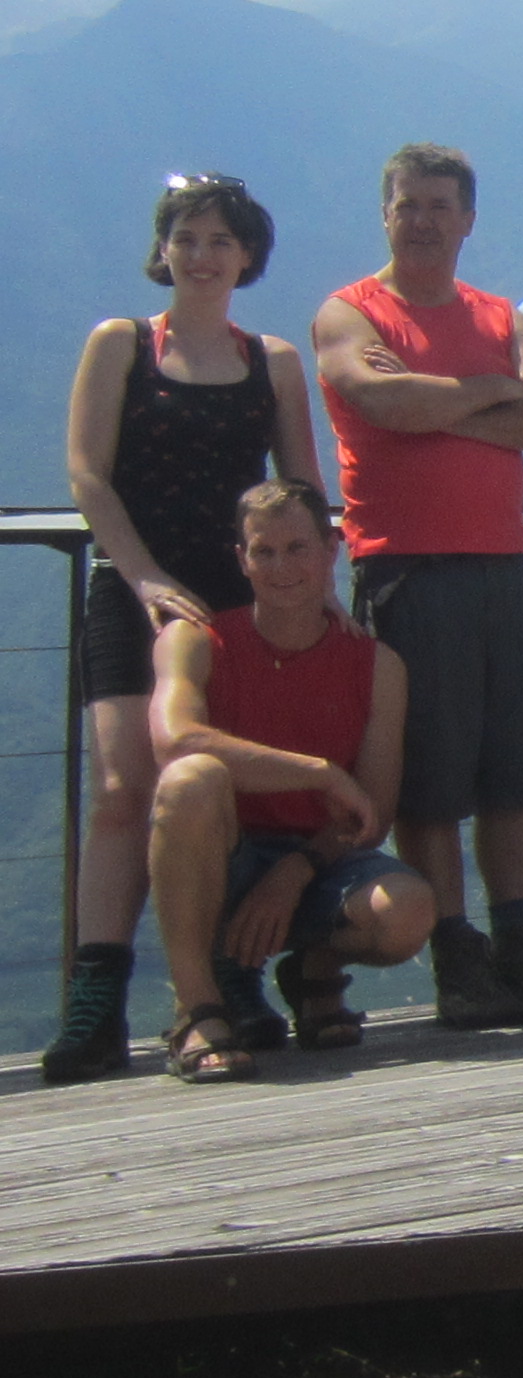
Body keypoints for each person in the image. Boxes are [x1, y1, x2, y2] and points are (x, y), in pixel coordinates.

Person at [44, 173, 323, 1083]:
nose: (202, 256)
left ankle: (219, 986)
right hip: (132, 588)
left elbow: (300, 486)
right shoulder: (121, 344)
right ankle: (96, 999)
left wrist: (311, 594)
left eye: (220, 241)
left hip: (240, 600)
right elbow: (88, 475)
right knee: (122, 788)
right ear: (162, 250)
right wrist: (145, 577)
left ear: (248, 256)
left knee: (216, 790)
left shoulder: (272, 361)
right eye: (187, 238)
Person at [312, 143, 523, 1028]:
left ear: (467, 219)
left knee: (514, 772)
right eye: (408, 205)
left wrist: (443, 405)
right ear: (385, 214)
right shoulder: (351, 312)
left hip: (503, 564)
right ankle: (458, 962)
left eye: (439, 205)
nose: (422, 220)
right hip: (406, 568)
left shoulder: (501, 315)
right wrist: (491, 392)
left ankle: (518, 951)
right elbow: (385, 404)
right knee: (430, 778)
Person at [140, 481, 435, 1079]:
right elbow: (175, 740)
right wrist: (318, 773)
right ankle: (198, 1010)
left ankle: (314, 970)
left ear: (331, 550)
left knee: (406, 911)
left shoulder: (377, 666)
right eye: (264, 552)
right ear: (241, 560)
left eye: (297, 548)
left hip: (319, 861)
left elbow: (372, 811)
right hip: (222, 859)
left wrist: (295, 869)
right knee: (189, 779)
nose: (281, 568)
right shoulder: (195, 640)